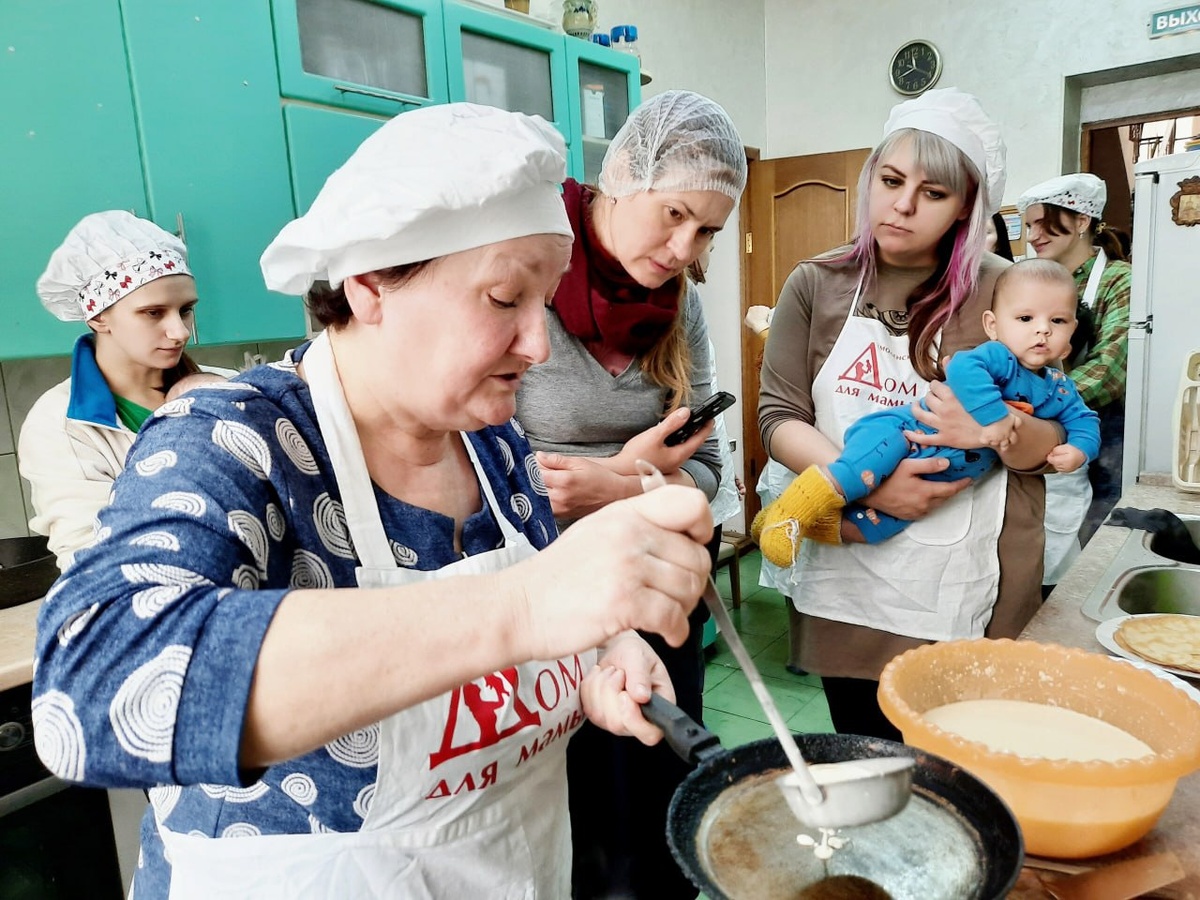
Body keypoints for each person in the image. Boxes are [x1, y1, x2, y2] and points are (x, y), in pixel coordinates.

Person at [31, 103, 715, 899]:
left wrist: (600, 653)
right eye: (504, 300)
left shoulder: (492, 446)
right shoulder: (234, 438)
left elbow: (539, 623)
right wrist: (521, 609)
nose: (536, 342)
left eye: (547, 301)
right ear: (369, 288)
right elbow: (92, 688)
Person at [758, 88, 1061, 741]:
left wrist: (990, 430)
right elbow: (777, 416)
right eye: (891, 181)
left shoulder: (1007, 290)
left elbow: (1049, 435)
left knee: (953, 774)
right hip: (849, 573)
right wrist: (868, 480)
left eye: (933, 193)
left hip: (963, 587)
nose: (902, 204)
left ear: (965, 207)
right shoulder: (815, 284)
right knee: (863, 759)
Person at [514, 89, 746, 899]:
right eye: (675, 214)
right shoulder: (530, 279)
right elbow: (481, 472)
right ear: (621, 179)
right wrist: (636, 482)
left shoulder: (682, 308)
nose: (685, 247)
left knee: (653, 797)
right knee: (572, 806)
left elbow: (713, 474)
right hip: (541, 592)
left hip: (654, 588)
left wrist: (622, 481)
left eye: (708, 229)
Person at [754, 258, 1100, 558]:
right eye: (1025, 319)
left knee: (876, 527)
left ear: (1071, 335)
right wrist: (995, 418)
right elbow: (964, 369)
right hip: (900, 435)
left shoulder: (1059, 388)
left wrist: (1079, 450)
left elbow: (1085, 420)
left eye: (1057, 322)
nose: (1042, 329)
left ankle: (796, 525)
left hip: (934, 470)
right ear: (993, 326)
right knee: (857, 473)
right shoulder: (999, 357)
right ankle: (790, 513)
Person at [17, 211, 229, 571]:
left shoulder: (229, 385)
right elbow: (91, 554)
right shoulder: (60, 423)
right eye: (153, 313)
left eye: (186, 310)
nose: (179, 332)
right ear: (98, 316)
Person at [1018, 173, 1132, 585]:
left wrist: (1035, 404)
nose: (1032, 236)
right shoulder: (1031, 281)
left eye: (1041, 223)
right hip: (1035, 428)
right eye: (1027, 225)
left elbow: (1111, 370)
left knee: (1090, 558)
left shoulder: (1119, 280)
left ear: (1081, 221)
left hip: (1098, 437)